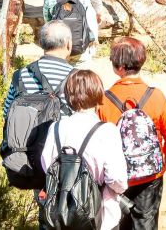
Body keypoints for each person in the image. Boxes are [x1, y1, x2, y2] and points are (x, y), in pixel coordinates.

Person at [98, 37, 166, 230]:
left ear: (118, 67)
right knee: (146, 221)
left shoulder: (104, 100)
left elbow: (99, 140)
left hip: (118, 177)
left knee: (117, 222)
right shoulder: (156, 96)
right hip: (150, 174)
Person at [39, 69, 128, 230]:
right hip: (101, 217)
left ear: (68, 95)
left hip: (60, 215)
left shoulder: (56, 128)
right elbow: (117, 179)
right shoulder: (107, 130)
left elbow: (47, 166)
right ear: (98, 93)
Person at [2, 20, 75, 117]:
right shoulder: (77, 78)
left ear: (40, 43)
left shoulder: (20, 76)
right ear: (69, 44)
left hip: (28, 132)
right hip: (63, 131)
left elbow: (7, 113)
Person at [43, 0, 99, 64]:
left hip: (58, 49)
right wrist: (94, 39)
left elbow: (47, 19)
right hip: (80, 47)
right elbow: (90, 17)